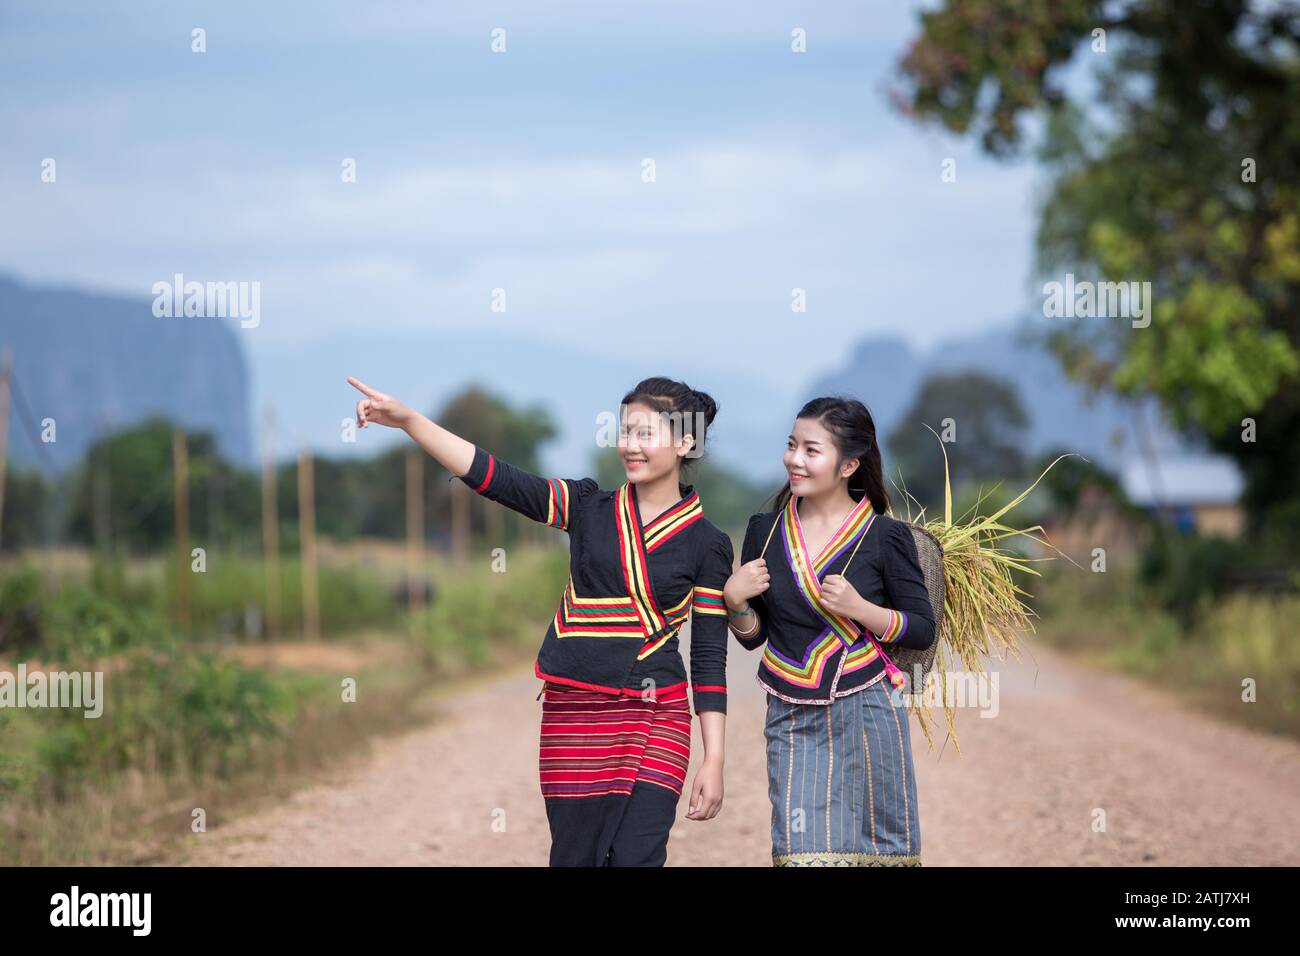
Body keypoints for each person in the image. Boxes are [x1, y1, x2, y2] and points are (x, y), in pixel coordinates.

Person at [348, 374, 733, 866]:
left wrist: (714, 758)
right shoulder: (588, 507)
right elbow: (497, 479)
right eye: (624, 432)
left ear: (684, 442)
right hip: (573, 716)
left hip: (657, 716)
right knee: (575, 857)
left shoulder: (708, 544)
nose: (629, 446)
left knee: (638, 855)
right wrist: (410, 422)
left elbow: (707, 659)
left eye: (644, 434)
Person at [723, 396, 937, 866]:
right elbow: (755, 635)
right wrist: (735, 601)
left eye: (811, 450)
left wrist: (862, 609)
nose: (794, 459)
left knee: (877, 850)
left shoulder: (884, 536)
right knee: (802, 852)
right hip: (789, 711)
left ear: (849, 465)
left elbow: (921, 628)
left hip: (868, 709)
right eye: (791, 445)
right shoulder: (765, 530)